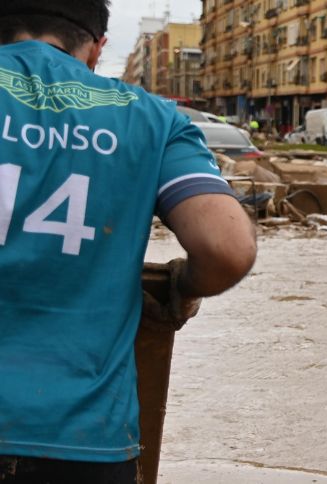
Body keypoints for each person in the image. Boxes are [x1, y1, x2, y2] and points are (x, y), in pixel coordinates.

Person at [0, 1, 258, 481]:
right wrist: (181, 287)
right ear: (97, 49)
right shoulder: (153, 120)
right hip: (82, 440)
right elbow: (227, 247)